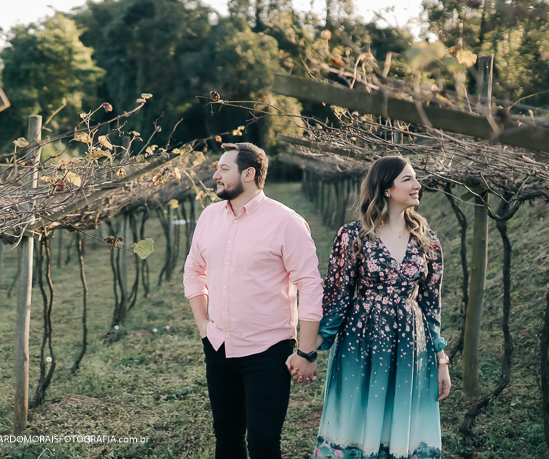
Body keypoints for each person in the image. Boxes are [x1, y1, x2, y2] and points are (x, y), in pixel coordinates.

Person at [184, 142, 323, 459]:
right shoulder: (209, 217)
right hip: (218, 346)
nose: (215, 174)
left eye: (223, 168)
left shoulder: (286, 222)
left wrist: (306, 350)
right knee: (227, 438)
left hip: (268, 351)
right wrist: (204, 326)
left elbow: (311, 287)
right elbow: (193, 270)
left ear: (248, 173)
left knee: (263, 443)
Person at [314, 156, 451, 459]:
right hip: (361, 340)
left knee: (400, 421)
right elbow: (336, 297)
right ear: (386, 188)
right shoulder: (353, 236)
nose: (418, 185)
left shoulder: (427, 240)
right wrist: (310, 348)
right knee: (360, 416)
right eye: (408, 179)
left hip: (410, 344)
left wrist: (441, 359)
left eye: (416, 178)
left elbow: (431, 306)